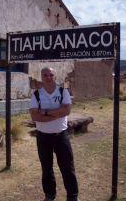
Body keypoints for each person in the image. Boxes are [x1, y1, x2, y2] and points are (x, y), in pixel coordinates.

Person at [30, 67, 79, 201]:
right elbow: (35, 116)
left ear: (55, 76)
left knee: (67, 168)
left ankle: (73, 196)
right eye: (45, 75)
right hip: (43, 137)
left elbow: (67, 111)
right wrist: (57, 113)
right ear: (41, 77)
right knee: (46, 168)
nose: (48, 77)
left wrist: (45, 112)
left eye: (51, 74)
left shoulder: (63, 92)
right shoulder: (36, 95)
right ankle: (49, 195)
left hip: (61, 136)